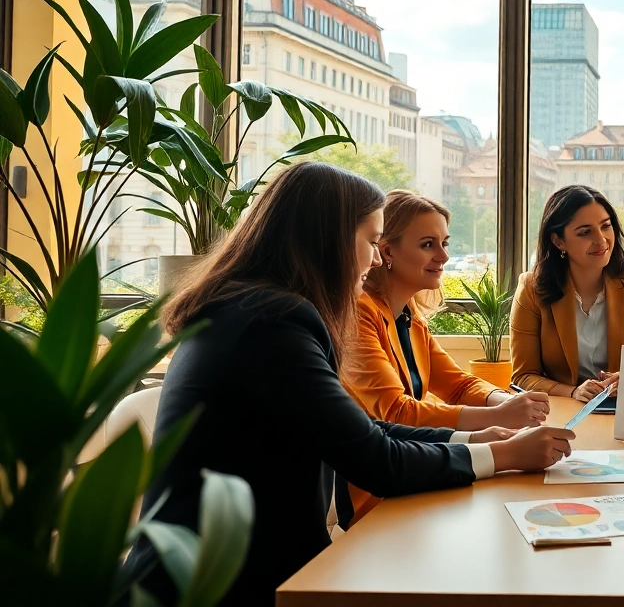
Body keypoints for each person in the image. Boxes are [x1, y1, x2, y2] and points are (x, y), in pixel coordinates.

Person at [123, 163, 574, 606]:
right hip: (217, 586)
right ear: (329, 240)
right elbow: (375, 459)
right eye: (372, 241)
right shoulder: (274, 323)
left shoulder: (253, 308)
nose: (376, 258)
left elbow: (360, 428)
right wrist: (501, 454)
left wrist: (472, 437)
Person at [341, 189, 552, 524]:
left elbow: (457, 385)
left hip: (417, 475)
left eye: (445, 243)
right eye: (428, 244)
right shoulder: (360, 315)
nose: (443, 255)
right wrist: (499, 419)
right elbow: (397, 412)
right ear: (386, 251)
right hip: (376, 496)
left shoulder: (409, 317)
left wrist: (502, 401)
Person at [511, 185, 624, 401]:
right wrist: (574, 392)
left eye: (606, 226)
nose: (601, 240)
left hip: (623, 408)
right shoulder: (531, 289)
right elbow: (523, 376)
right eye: (585, 232)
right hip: (563, 410)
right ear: (558, 241)